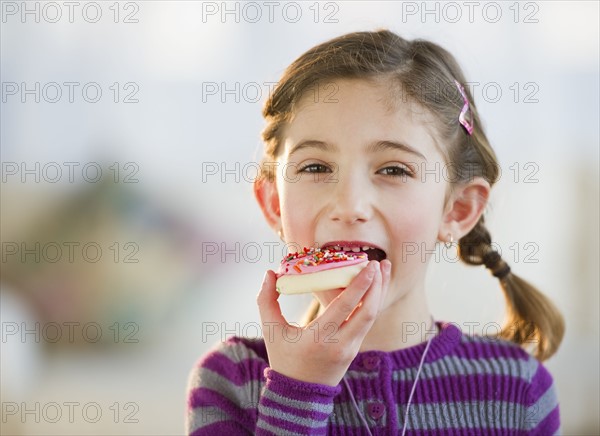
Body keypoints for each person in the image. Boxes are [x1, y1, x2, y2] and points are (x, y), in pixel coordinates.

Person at [185, 29, 564, 435]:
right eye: (315, 167)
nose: (349, 205)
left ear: (458, 208)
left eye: (393, 170)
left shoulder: (518, 391)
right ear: (274, 204)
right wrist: (298, 391)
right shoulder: (231, 381)